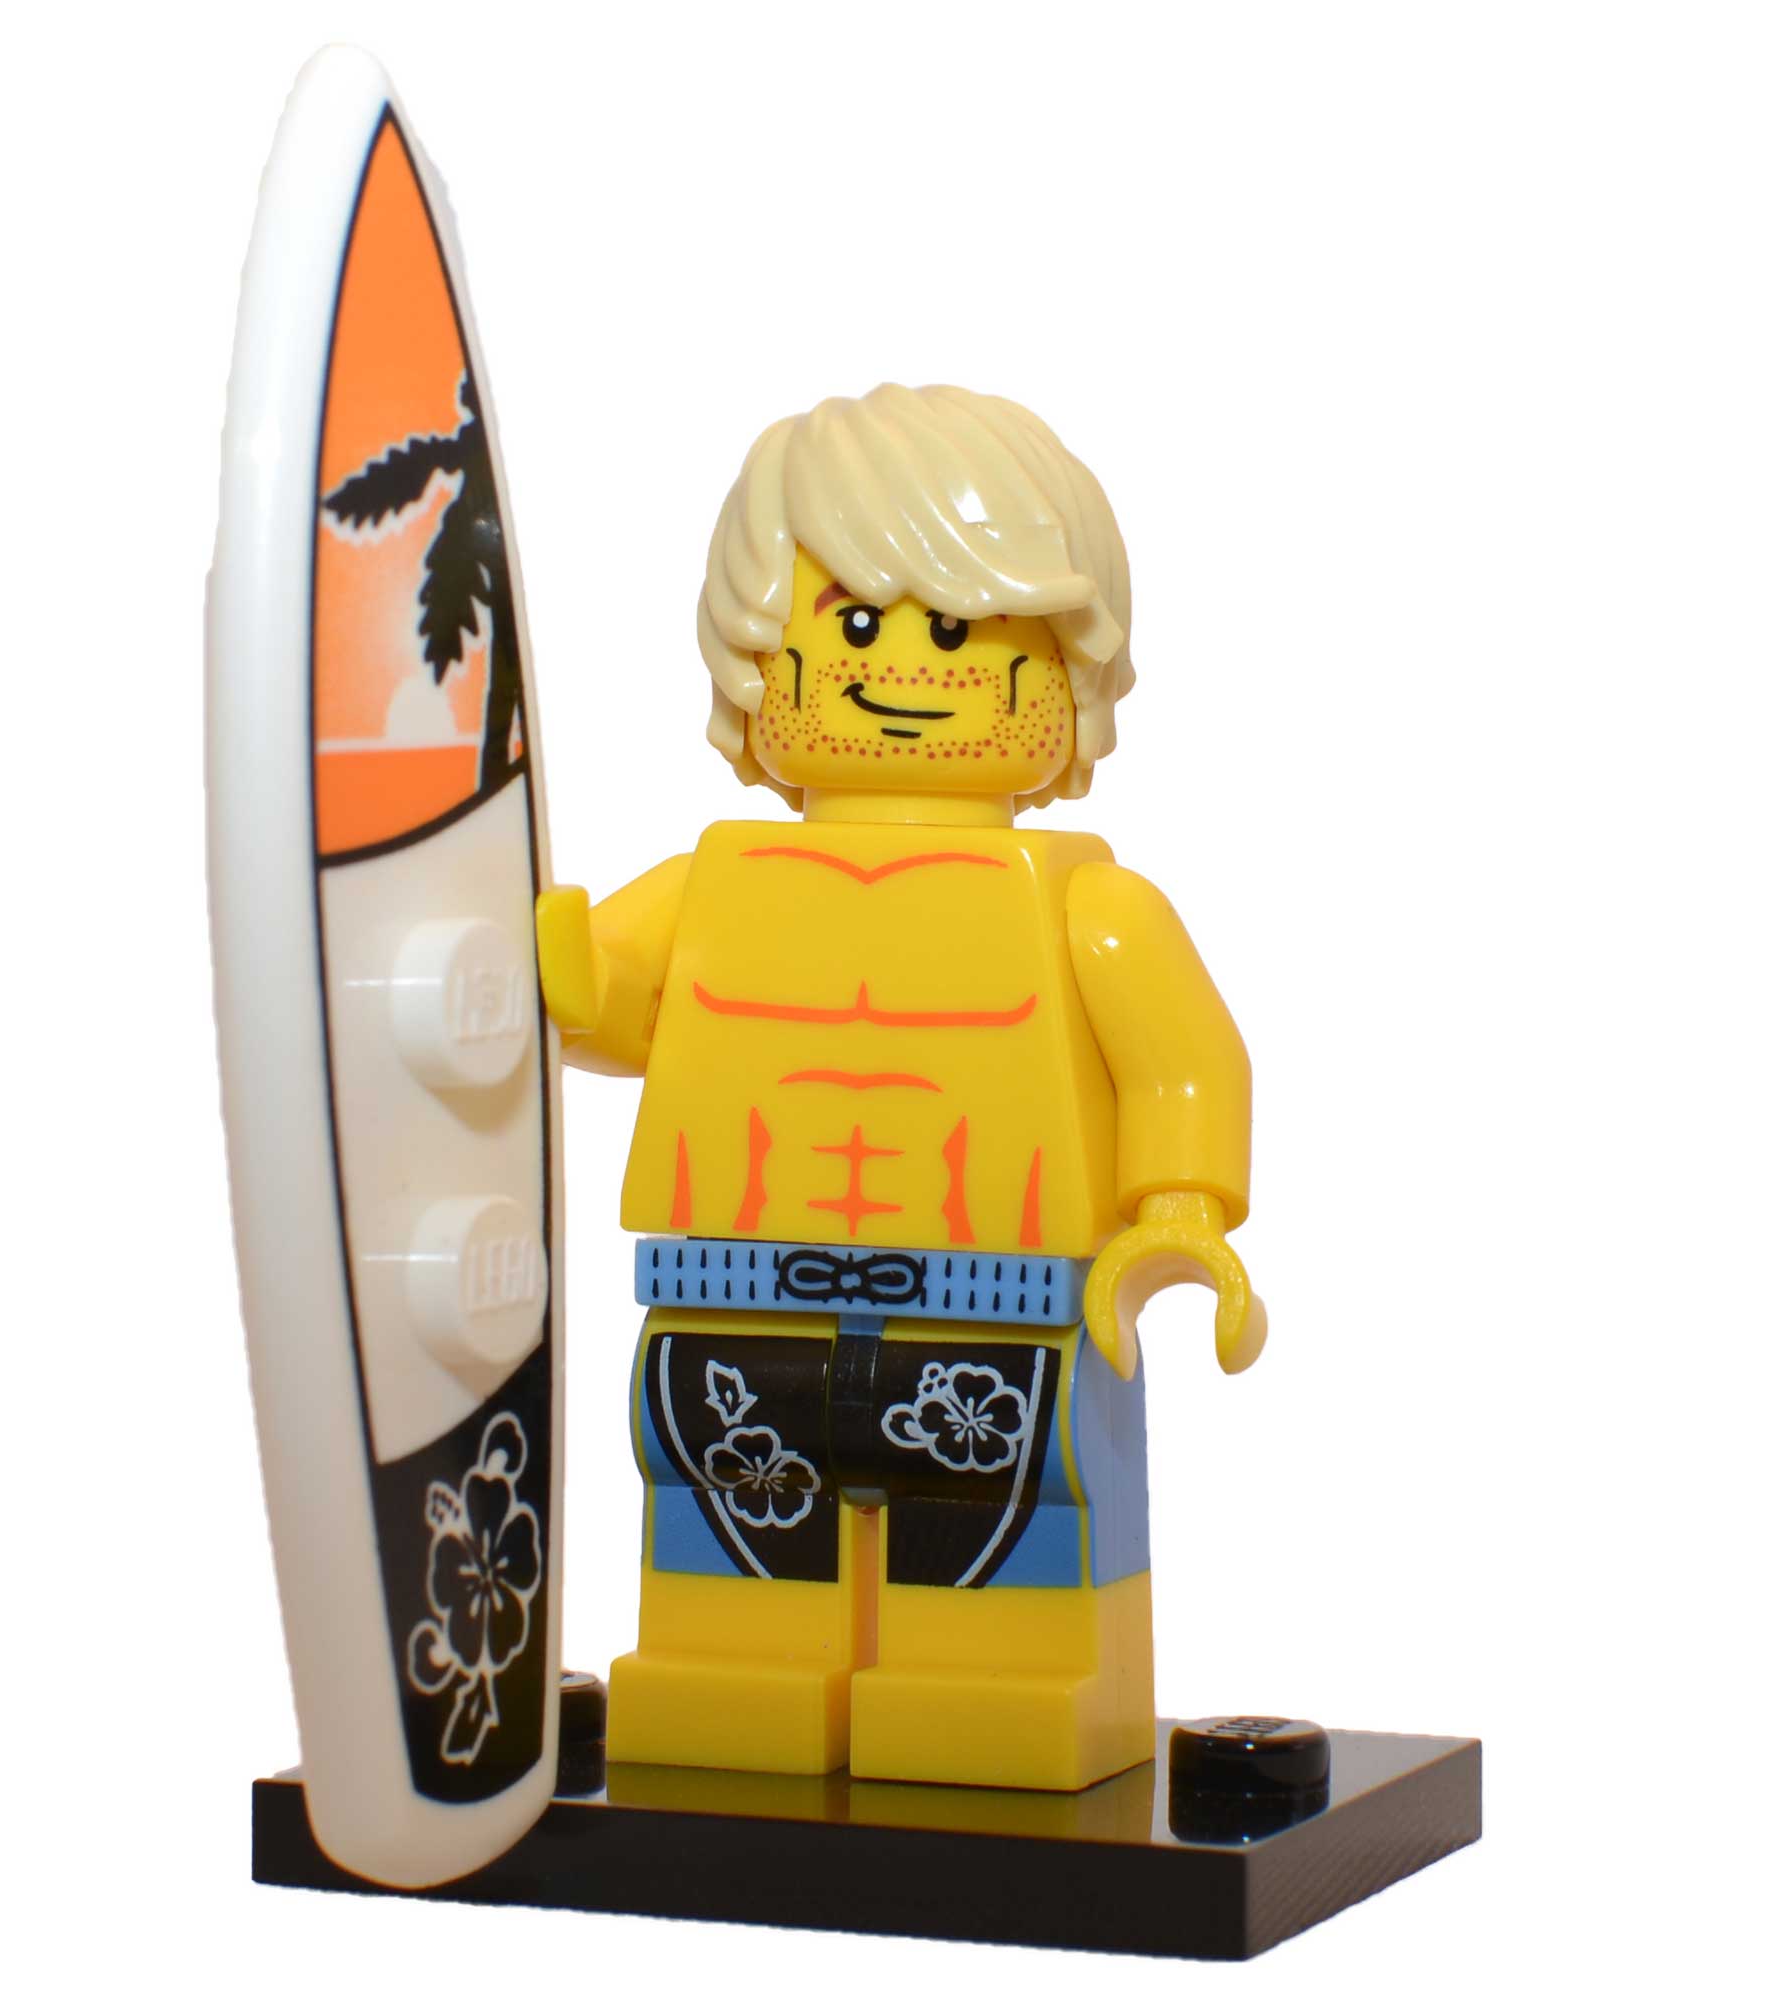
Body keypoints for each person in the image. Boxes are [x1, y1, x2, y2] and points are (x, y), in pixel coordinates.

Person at [538, 383, 1263, 1790]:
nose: (910, 671)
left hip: (1001, 1308)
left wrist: (1181, 1205)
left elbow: (1184, 1056)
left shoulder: (1087, 910)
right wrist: (535, 960)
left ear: (1067, 674)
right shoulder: (709, 888)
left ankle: (999, 1691)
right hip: (735, 1292)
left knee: (1000, 1512)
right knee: (725, 1490)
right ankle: (731, 1676)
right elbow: (610, 996)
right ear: (758, 661)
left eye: (959, 634)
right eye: (855, 629)